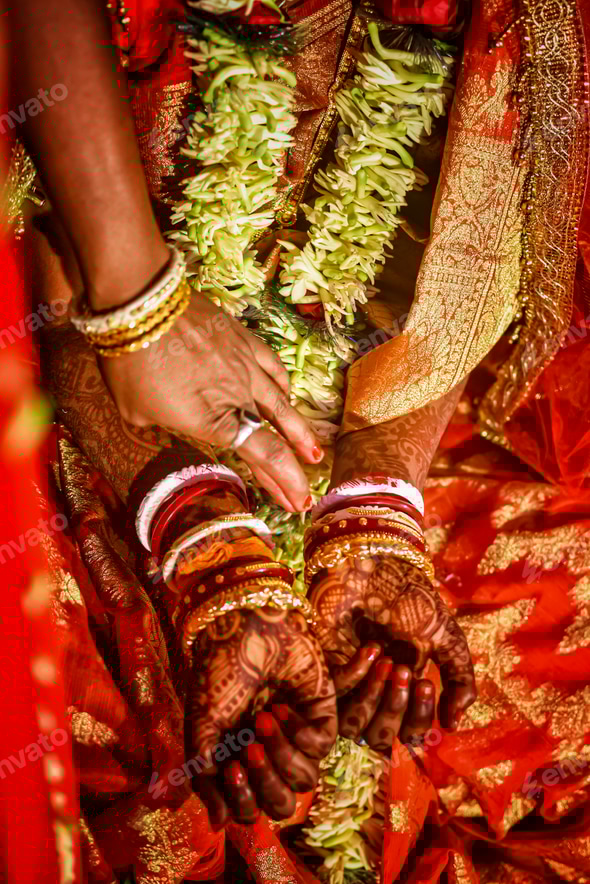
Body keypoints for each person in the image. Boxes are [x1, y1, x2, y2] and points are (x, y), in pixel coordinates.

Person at [6, 0, 590, 882]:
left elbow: (484, 200)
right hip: (72, 308)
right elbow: (34, 208)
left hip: (394, 394)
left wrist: (378, 508)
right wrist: (142, 312)